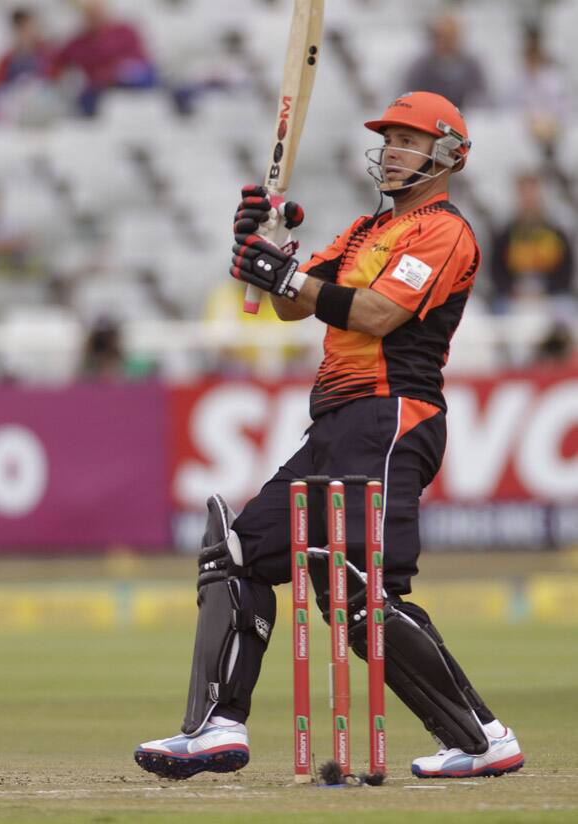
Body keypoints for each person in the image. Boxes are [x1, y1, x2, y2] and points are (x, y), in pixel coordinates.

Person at [134, 91, 524, 781]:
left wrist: (282, 272)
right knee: (239, 552)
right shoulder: (361, 232)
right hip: (336, 420)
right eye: (390, 138)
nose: (394, 149)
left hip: (392, 414)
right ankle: (216, 726)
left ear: (448, 157)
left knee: (356, 591)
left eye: (409, 140)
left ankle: (481, 735)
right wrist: (266, 246)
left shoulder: (443, 231)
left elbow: (376, 314)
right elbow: (290, 305)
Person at [53, 0, 157, 117]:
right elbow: (56, 62)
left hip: (131, 80)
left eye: (98, 11)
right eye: (90, 13)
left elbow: (142, 61)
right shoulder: (77, 43)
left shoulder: (124, 31)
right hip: (99, 90)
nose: (95, 16)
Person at [490, 172, 574, 311]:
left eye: (532, 194)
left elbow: (566, 271)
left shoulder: (557, 233)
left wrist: (546, 291)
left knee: (567, 307)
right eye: (524, 194)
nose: (529, 199)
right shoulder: (505, 235)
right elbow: (496, 271)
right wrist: (512, 290)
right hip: (513, 298)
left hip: (551, 297)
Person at [401, 11, 488, 110]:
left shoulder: (471, 65)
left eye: (451, 36)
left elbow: (482, 97)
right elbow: (410, 99)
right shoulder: (420, 67)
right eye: (442, 36)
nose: (446, 42)